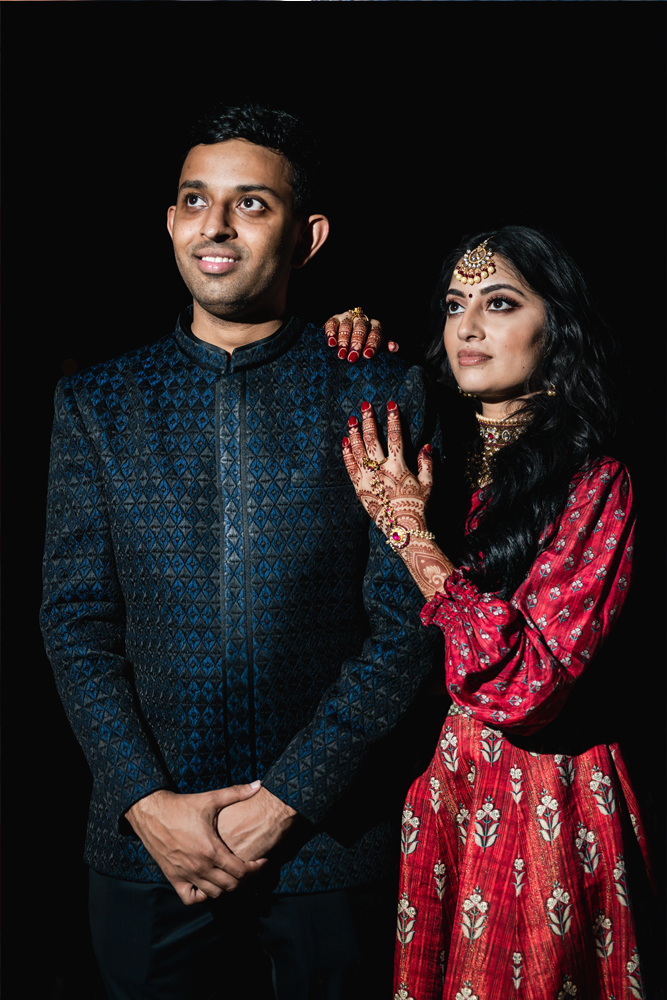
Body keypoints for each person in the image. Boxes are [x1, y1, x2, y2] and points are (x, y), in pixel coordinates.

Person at [40, 103, 443, 1000]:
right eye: (194, 199)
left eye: (251, 204)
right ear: (172, 220)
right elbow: (75, 621)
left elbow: (407, 622)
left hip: (330, 844)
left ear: (308, 236)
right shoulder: (98, 403)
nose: (213, 226)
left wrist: (285, 801)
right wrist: (147, 803)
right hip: (146, 847)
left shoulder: (377, 386)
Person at [337, 226, 654, 999]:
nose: (467, 327)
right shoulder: (426, 453)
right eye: (453, 305)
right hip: (422, 792)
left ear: (558, 329)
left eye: (499, 303)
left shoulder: (595, 483)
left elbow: (528, 688)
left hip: (539, 797)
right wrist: (343, 343)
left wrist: (411, 535)